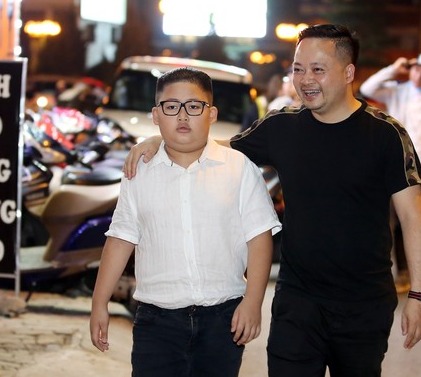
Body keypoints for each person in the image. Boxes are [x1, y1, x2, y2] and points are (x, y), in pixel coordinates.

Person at [123, 24, 421, 377]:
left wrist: (419, 296)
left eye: (317, 69)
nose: (305, 79)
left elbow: (413, 219)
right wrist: (158, 142)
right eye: (298, 69)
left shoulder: (387, 135)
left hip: (364, 304)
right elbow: (218, 148)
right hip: (297, 301)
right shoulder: (281, 126)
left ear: (348, 73)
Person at [89, 67, 282, 377]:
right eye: (171, 106)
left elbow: (259, 237)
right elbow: (121, 238)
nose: (182, 116)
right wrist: (99, 303)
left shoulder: (238, 168)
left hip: (223, 319)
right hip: (156, 322)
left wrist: (253, 301)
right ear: (156, 114)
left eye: (194, 106)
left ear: (211, 113)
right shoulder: (139, 173)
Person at [360, 51, 421, 297]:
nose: (419, 74)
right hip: (399, 165)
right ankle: (403, 273)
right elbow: (368, 88)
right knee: (398, 223)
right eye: (416, 69)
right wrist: (393, 69)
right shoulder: (398, 89)